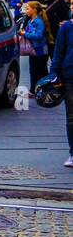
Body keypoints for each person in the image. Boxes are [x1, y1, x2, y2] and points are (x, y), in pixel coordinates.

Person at [49, 15, 73, 168]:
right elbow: (58, 52)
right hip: (70, 76)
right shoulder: (66, 28)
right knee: (71, 117)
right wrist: (54, 75)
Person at [19, 0, 52, 90]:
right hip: (33, 49)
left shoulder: (39, 22)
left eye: (28, 9)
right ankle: (34, 89)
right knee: (33, 70)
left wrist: (24, 34)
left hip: (40, 49)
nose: (26, 11)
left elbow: (38, 35)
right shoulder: (30, 21)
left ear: (34, 10)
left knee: (41, 70)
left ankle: (44, 89)